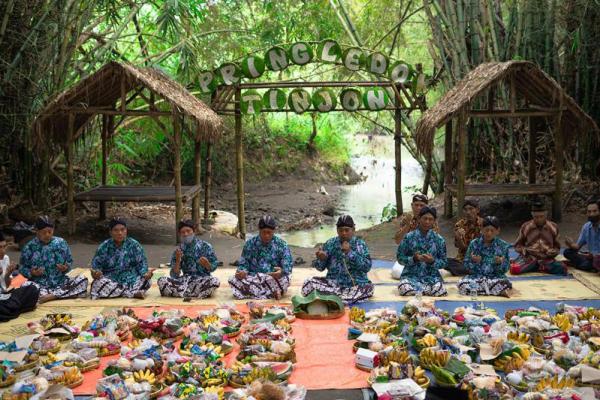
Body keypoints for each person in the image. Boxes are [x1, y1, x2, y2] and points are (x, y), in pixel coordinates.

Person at [301, 215, 374, 304]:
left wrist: (350, 253)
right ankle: (335, 298)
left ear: (353, 230)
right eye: (341, 230)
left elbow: (367, 267)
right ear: (337, 231)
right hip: (333, 285)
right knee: (308, 284)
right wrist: (321, 259)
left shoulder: (360, 245)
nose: (344, 233)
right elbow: (320, 268)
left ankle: (333, 299)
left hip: (355, 286)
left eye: (347, 230)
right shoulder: (330, 243)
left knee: (366, 289)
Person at [19, 216, 88, 303]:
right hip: (40, 284)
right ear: (37, 232)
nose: (47, 235)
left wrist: (65, 268)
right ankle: (61, 294)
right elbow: (22, 268)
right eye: (44, 232)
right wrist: (32, 273)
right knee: (25, 286)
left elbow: (69, 261)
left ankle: (53, 296)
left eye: (50, 232)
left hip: (60, 282)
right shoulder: (29, 247)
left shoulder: (61, 243)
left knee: (83, 280)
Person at [228, 215, 293, 300]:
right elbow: (243, 264)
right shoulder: (250, 244)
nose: (266, 235)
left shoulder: (282, 245)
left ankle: (256, 293)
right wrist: (242, 272)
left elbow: (288, 266)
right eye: (264, 232)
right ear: (259, 230)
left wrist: (282, 271)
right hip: (254, 278)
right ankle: (271, 293)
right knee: (233, 280)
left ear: (274, 231)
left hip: (272, 279)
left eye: (269, 232)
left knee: (286, 279)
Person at [90, 217, 153, 299]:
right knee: (97, 284)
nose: (120, 233)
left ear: (126, 230)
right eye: (116, 230)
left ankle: (120, 292)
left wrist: (146, 274)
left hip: (131, 279)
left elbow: (142, 264)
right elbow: (96, 267)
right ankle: (131, 293)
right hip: (111, 280)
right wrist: (96, 274)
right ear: (110, 232)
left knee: (147, 281)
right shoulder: (104, 247)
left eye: (122, 230)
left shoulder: (134, 245)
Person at [158, 219, 220, 299]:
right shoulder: (178, 250)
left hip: (201, 280)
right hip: (184, 281)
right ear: (180, 234)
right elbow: (174, 275)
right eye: (182, 232)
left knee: (215, 281)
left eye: (188, 231)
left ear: (194, 231)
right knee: (161, 281)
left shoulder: (206, 246)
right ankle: (194, 294)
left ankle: (184, 293)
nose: (186, 234)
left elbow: (213, 267)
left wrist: (207, 264)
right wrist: (177, 260)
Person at [397, 206, 447, 296]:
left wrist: (432, 261)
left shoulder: (439, 240)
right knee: (404, 288)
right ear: (419, 219)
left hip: (432, 278)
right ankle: (423, 291)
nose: (427, 222)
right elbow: (400, 258)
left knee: (440, 290)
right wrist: (414, 259)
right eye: (425, 218)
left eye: (430, 219)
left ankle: (422, 291)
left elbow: (444, 262)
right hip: (411, 277)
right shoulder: (409, 237)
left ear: (434, 221)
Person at [457, 216, 512, 297]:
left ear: (498, 231)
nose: (489, 233)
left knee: (504, 283)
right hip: (477, 277)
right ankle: (495, 291)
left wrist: (499, 263)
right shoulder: (474, 243)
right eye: (486, 230)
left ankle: (483, 291)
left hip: (495, 278)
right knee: (462, 284)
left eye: (492, 231)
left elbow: (505, 269)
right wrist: (474, 262)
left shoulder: (503, 245)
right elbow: (466, 265)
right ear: (481, 229)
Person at [511, 201, 567, 275]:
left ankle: (540, 266)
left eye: (541, 216)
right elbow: (518, 245)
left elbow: (557, 246)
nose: (539, 219)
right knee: (515, 270)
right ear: (532, 215)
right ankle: (540, 266)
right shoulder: (526, 226)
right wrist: (523, 250)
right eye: (536, 217)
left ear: (546, 214)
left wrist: (554, 252)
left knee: (562, 269)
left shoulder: (553, 227)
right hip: (530, 258)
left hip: (546, 258)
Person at [0, 232, 39, 321]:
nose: (3, 251)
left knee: (33, 288)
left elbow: (6, 287)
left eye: (4, 246)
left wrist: (7, 275)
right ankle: (15, 309)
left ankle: (12, 309)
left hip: (6, 295)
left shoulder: (5, 258)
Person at [447, 199, 484, 276]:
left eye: (471, 209)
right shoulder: (459, 225)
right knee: (445, 261)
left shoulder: (484, 224)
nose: (468, 212)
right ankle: (468, 269)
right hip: (463, 259)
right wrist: (458, 238)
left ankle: (466, 269)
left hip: (479, 257)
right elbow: (460, 247)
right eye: (466, 210)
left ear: (477, 210)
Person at [564, 200, 600, 271]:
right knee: (567, 252)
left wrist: (595, 256)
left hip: (597, 259)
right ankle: (590, 266)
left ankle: (579, 264)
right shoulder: (586, 227)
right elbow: (577, 247)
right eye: (589, 212)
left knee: (591, 263)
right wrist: (571, 244)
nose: (591, 214)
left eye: (594, 211)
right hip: (590, 258)